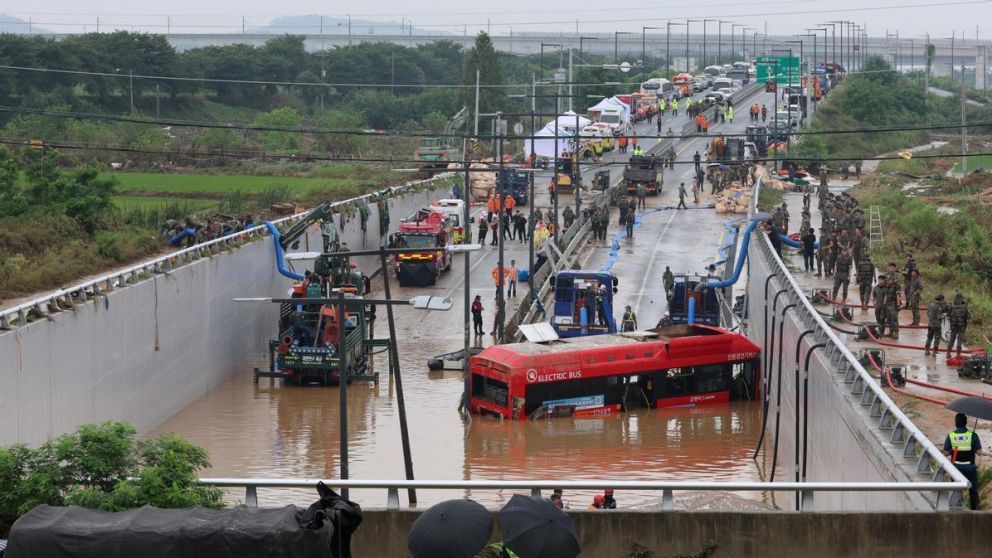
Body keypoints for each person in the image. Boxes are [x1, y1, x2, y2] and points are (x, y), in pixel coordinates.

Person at [944, 412, 984, 510]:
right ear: (966, 423)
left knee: (957, 491)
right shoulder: (973, 435)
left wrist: (954, 449)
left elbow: (946, 452)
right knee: (973, 492)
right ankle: (975, 511)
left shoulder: (951, 436)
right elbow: (979, 452)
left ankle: (958, 508)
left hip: (956, 469)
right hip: (970, 469)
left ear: (956, 423)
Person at [947, 293, 971, 358]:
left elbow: (948, 315)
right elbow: (969, 316)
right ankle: (958, 355)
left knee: (951, 339)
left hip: (953, 326)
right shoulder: (965, 307)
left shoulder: (951, 307)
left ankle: (948, 353)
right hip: (962, 326)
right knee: (959, 340)